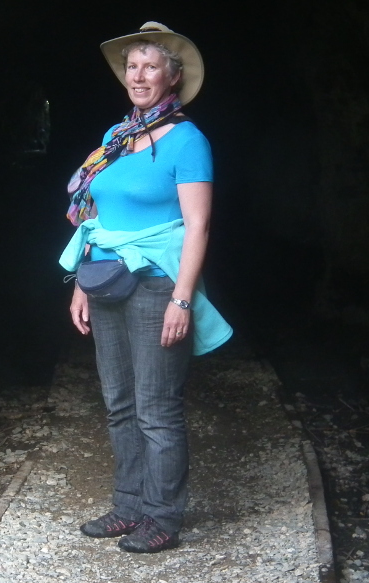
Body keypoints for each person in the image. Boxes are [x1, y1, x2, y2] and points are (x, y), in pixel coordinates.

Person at [58, 22, 232, 553]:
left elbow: (197, 226)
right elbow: (96, 218)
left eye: (150, 66)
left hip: (157, 282)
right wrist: (80, 285)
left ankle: (162, 516)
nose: (138, 75)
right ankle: (128, 505)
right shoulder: (116, 138)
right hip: (105, 279)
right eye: (132, 66)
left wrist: (183, 296)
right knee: (118, 403)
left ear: (172, 77)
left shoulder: (188, 140)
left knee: (156, 405)